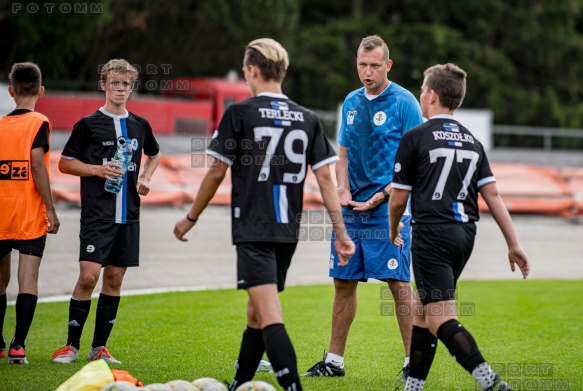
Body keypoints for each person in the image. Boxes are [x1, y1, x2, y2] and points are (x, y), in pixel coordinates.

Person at [173, 38, 355, 391]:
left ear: (253, 70)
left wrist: (191, 217)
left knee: (269, 315)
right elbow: (326, 182)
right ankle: (240, 383)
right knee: (256, 313)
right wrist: (341, 232)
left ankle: (291, 387)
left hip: (254, 228)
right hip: (287, 231)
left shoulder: (240, 114)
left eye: (245, 71)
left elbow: (214, 172)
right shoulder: (308, 118)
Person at [388, 63, 530, 391]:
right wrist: (514, 243)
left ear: (432, 95)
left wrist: (394, 229)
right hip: (465, 236)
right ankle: (413, 386)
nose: (421, 96)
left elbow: (397, 201)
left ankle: (490, 382)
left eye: (423, 90)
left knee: (440, 318)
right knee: (424, 313)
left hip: (431, 235)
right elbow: (492, 196)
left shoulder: (415, 137)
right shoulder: (472, 141)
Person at [304, 35, 423, 381]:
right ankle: (334, 362)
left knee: (398, 282)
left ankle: (413, 364)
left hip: (389, 211)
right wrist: (341, 187)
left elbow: (415, 163)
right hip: (351, 209)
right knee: (343, 282)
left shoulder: (405, 103)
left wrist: (381, 196)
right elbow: (341, 154)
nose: (367, 72)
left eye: (374, 65)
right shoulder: (351, 101)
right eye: (362, 65)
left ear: (388, 65)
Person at [51, 59, 161, 364]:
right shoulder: (87, 124)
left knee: (114, 278)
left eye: (125, 84)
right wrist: (97, 170)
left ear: (131, 87)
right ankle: (70, 346)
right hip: (97, 215)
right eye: (115, 83)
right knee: (88, 277)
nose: (120, 88)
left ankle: (98, 348)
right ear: (103, 85)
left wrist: (146, 177)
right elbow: (64, 162)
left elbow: (154, 153)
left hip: (129, 216)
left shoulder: (140, 124)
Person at [0, 62, 60, 364]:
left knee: (0, 281)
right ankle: (18, 345)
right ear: (41, 91)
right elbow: (37, 164)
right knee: (28, 279)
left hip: (0, 214)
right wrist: (51, 209)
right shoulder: (40, 122)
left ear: (11, 92)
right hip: (29, 215)